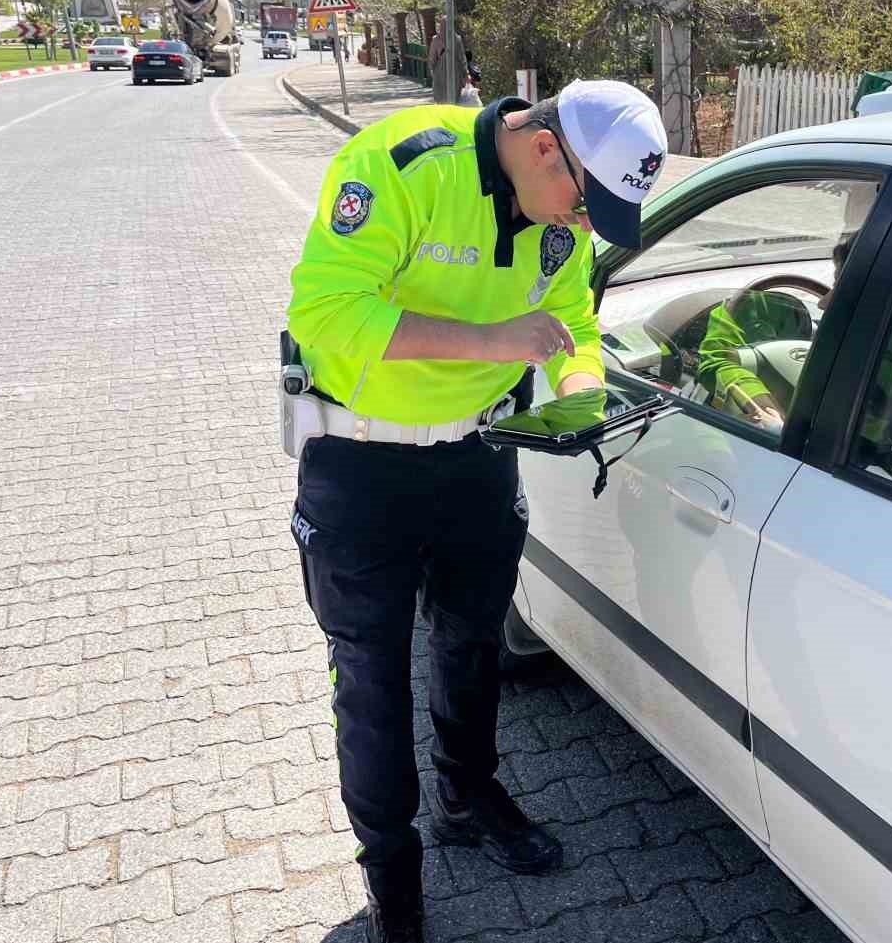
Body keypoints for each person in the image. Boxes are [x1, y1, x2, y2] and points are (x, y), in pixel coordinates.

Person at [285, 82, 667, 943]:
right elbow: (324, 309)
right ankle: (392, 870)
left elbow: (573, 321)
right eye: (582, 196)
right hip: (361, 463)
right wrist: (497, 340)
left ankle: (466, 794)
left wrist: (580, 393)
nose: (582, 221)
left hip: (477, 457)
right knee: (374, 677)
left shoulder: (559, 221)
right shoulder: (404, 162)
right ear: (542, 148)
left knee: (471, 643)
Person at [695, 230, 892, 444]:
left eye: (848, 292)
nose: (824, 303)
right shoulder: (758, 306)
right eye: (838, 282)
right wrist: (770, 415)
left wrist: (887, 408)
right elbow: (717, 362)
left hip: (851, 449)